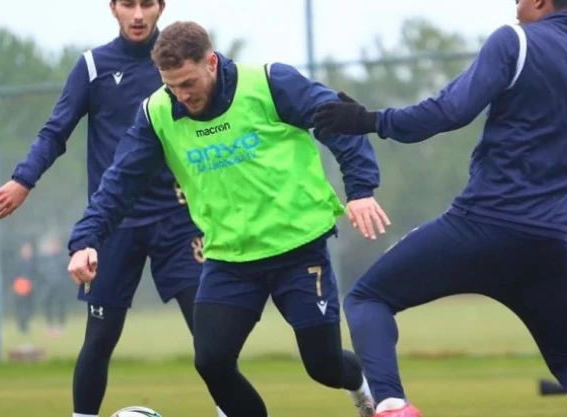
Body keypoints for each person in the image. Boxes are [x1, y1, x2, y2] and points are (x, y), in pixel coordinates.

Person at [66, 20, 392, 417]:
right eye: (171, 86)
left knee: (323, 366)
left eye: (188, 83)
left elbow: (340, 122)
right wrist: (87, 238)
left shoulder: (270, 83)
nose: (181, 96)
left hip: (298, 249)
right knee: (211, 361)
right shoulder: (157, 113)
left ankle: (363, 391)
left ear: (211, 63)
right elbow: (119, 182)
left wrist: (360, 190)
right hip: (230, 258)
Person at [312, 0, 567, 416]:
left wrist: (369, 120)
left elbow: (448, 111)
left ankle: (391, 404)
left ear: (541, 1)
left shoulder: (515, 41)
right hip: (549, 243)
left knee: (368, 298)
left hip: (482, 227)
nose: (515, 3)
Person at [0, 2, 215, 417]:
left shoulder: (182, 66)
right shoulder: (92, 67)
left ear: (161, 6)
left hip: (178, 221)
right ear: (113, 8)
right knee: (100, 337)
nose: (138, 14)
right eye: (128, 4)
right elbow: (55, 132)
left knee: (211, 337)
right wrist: (23, 179)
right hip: (113, 224)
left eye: (147, 3)